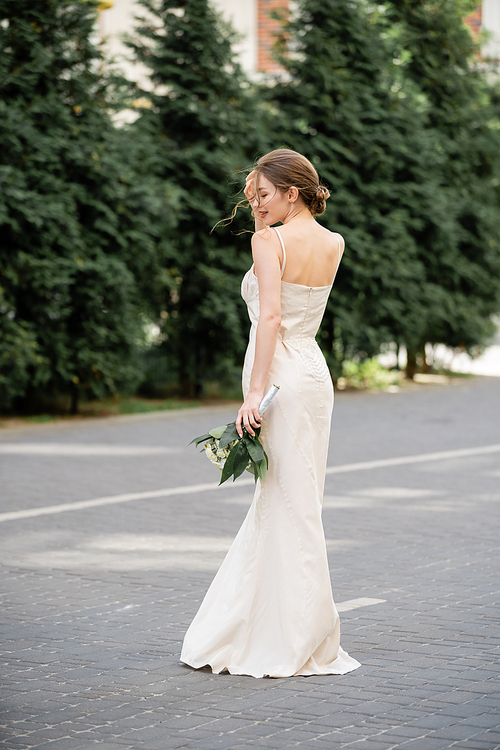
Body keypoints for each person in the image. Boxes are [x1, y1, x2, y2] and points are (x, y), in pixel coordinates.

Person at [181, 149, 361, 678]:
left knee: (285, 502)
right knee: (298, 501)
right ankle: (293, 628)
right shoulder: (334, 242)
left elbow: (272, 317)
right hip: (312, 375)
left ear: (292, 191)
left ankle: (291, 633)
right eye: (251, 197)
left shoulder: (270, 240)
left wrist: (253, 393)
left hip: (280, 377)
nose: (254, 206)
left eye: (263, 195)